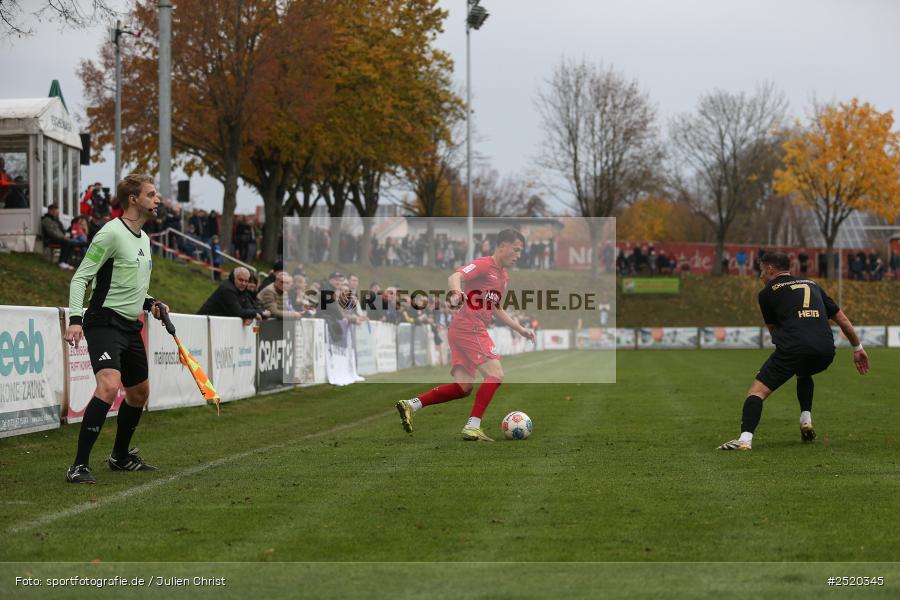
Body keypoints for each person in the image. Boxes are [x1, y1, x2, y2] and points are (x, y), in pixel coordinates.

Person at [63, 173, 169, 484]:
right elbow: (81, 278)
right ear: (134, 200)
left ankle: (120, 457)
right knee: (109, 387)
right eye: (151, 194)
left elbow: (129, 286)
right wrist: (74, 319)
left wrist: (151, 303)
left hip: (130, 326)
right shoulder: (110, 233)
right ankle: (78, 466)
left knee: (139, 393)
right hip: (103, 321)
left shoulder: (145, 239)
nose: (157, 200)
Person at [718, 252, 869, 451]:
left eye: (762, 270)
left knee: (756, 393)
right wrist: (857, 348)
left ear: (771, 269)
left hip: (795, 348)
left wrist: (786, 349)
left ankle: (744, 440)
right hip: (825, 350)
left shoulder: (766, 293)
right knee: (803, 371)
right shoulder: (813, 285)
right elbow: (842, 319)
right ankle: (806, 418)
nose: (760, 275)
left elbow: (774, 332)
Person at [395, 229, 535, 441]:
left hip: (462, 328)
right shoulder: (484, 264)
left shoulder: (503, 276)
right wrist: (456, 291)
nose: (518, 255)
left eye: (520, 252)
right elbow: (455, 276)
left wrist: (520, 329)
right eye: (515, 250)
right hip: (470, 325)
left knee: (463, 387)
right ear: (502, 245)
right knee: (495, 375)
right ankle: (473, 426)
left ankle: (411, 405)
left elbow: (495, 307)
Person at [197, 267, 261, 323]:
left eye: (246, 281)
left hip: (215, 324)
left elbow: (249, 307)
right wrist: (254, 314)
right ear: (234, 278)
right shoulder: (228, 290)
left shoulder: (241, 289)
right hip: (203, 323)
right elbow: (238, 312)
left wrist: (250, 316)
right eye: (240, 280)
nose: (243, 283)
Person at [41, 204, 80, 270]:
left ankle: (66, 262)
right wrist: (63, 237)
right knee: (67, 242)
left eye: (56, 211)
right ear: (50, 210)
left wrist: (68, 235)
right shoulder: (46, 220)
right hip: (50, 239)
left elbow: (62, 230)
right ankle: (61, 262)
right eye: (55, 211)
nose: (56, 212)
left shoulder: (56, 220)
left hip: (58, 238)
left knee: (72, 242)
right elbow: (52, 232)